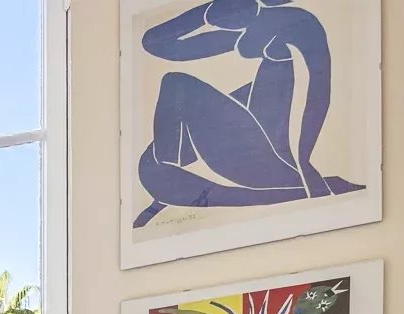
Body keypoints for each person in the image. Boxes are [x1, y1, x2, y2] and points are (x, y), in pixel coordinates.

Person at [134, 0, 363, 229]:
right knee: (236, 93)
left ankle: (170, 171)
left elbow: (316, 98)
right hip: (266, 154)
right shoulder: (277, 30)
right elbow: (156, 44)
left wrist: (305, 168)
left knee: (177, 84)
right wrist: (206, 13)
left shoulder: (285, 27)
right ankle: (170, 173)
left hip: (268, 162)